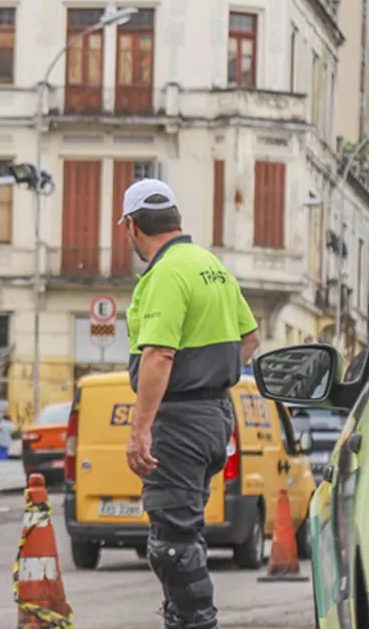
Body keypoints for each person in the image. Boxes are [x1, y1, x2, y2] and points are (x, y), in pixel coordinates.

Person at [119, 178, 261, 629]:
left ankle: (197, 622)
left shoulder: (166, 274)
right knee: (183, 534)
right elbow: (250, 337)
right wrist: (211, 377)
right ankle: (183, 620)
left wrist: (141, 428)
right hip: (214, 415)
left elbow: (159, 354)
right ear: (175, 219)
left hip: (179, 422)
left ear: (131, 226)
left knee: (173, 544)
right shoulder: (210, 265)